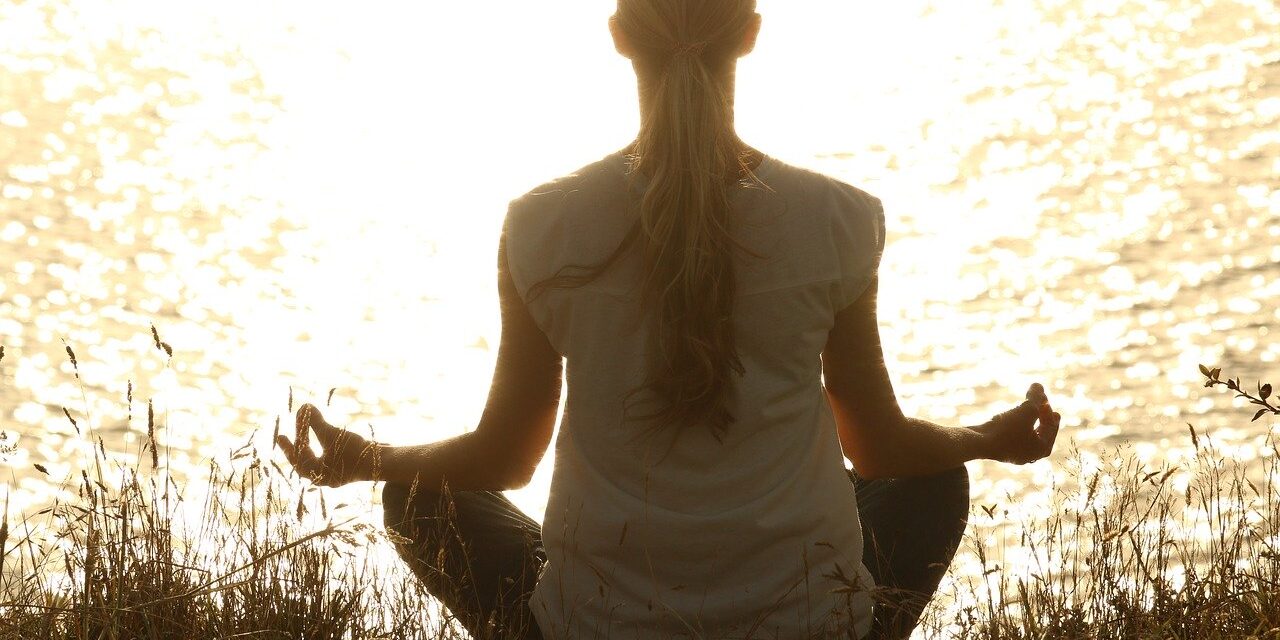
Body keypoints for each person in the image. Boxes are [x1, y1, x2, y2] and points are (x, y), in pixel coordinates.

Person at [275, 1, 1063, 638]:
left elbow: (506, 458)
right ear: (751, 33)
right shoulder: (839, 219)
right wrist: (985, 441)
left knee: (416, 496)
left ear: (619, 38)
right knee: (931, 480)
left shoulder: (542, 224)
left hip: (596, 627)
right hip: (807, 621)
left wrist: (364, 457)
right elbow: (880, 446)